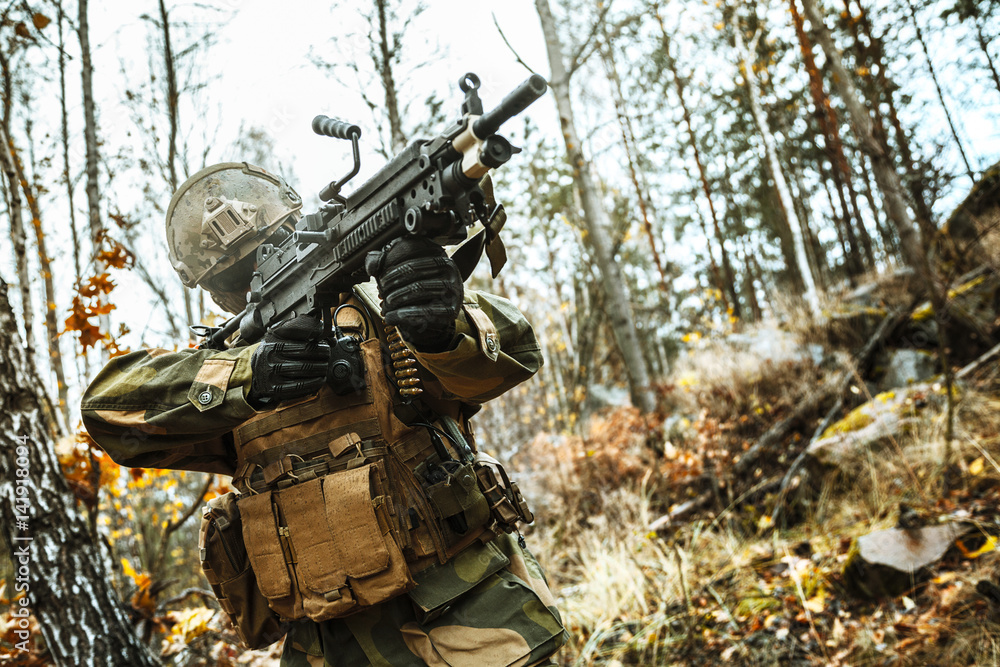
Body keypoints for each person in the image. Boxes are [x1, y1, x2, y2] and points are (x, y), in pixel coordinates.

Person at [81, 162, 566, 666]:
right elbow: (105, 410)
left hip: (468, 624)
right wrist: (253, 376)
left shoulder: (383, 307)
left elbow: (516, 347)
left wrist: (441, 326)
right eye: (234, 276)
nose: (251, 279)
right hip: (325, 646)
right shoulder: (228, 373)